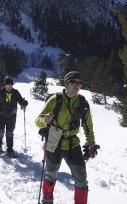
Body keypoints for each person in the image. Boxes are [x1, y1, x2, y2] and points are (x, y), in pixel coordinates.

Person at [35, 71, 97, 204]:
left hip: (73, 142)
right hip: (53, 140)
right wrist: (45, 121)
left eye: (79, 83)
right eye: (74, 82)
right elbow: (38, 120)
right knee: (51, 175)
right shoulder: (55, 100)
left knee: (81, 178)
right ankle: (47, 199)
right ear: (66, 84)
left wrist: (91, 143)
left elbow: (88, 125)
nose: (77, 85)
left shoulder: (82, 103)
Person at [0, 77, 28, 157]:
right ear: (4, 85)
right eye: (7, 85)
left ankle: (9, 148)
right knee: (0, 132)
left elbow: (20, 100)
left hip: (12, 116)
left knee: (10, 133)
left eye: (10, 85)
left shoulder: (15, 92)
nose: (9, 87)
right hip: (1, 116)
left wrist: (23, 103)